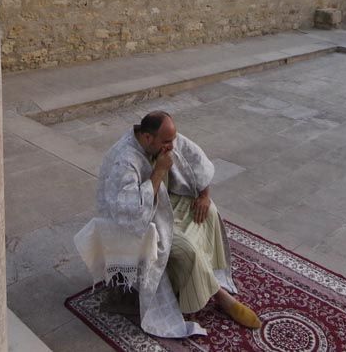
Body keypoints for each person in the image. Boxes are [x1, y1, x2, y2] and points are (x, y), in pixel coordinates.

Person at [75, 111, 261, 338]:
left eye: (172, 140)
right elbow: (130, 212)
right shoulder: (124, 160)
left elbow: (196, 160)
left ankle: (203, 279)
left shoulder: (163, 141)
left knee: (208, 211)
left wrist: (204, 194)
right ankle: (219, 296)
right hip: (138, 224)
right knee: (186, 250)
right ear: (146, 138)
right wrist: (160, 170)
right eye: (166, 142)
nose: (171, 146)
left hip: (165, 202)